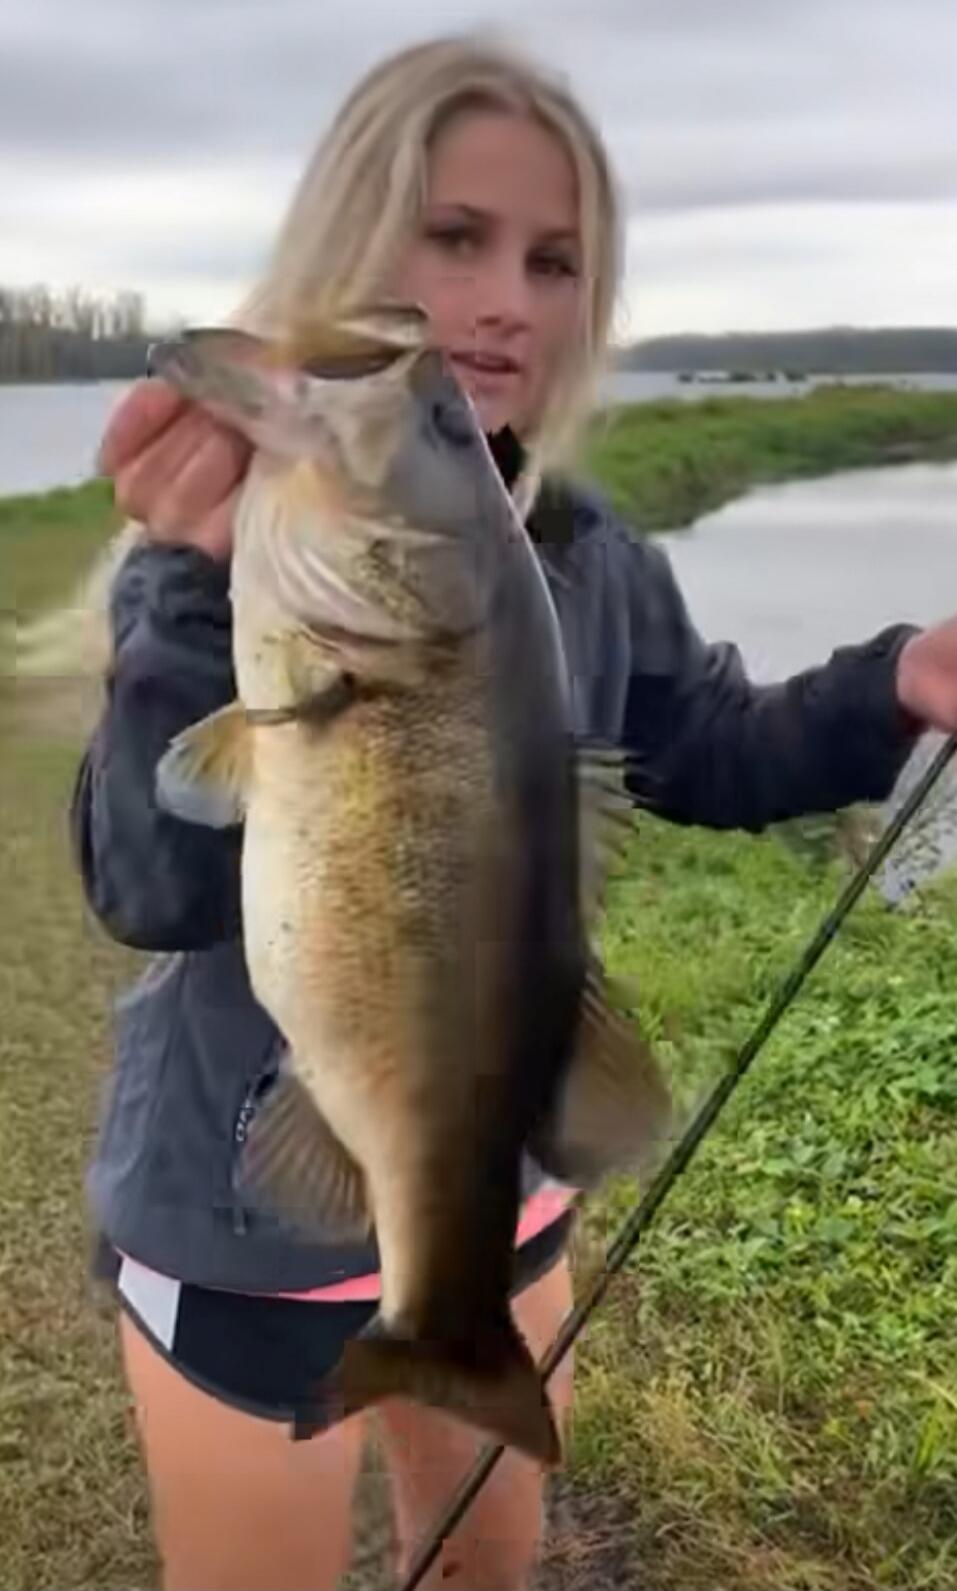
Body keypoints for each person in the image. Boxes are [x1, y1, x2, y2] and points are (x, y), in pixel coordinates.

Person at [73, 33, 957, 1591]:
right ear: (341, 261)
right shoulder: (229, 571)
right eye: (453, 237)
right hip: (241, 1225)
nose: (501, 301)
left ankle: (448, 1337)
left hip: (497, 1188)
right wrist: (191, 604)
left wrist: (892, 681)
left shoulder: (592, 552)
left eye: (553, 261)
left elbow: (705, 742)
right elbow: (147, 885)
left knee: (487, 1563)